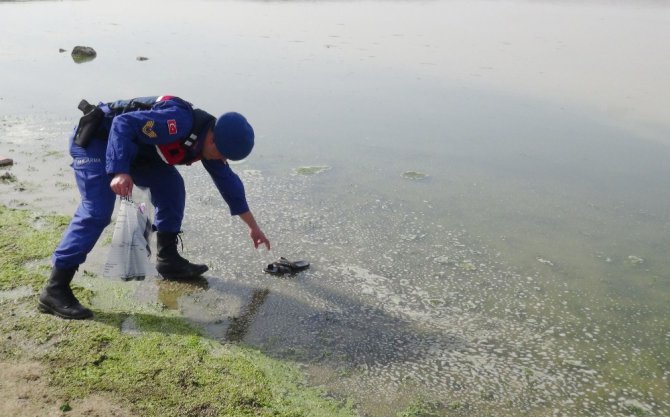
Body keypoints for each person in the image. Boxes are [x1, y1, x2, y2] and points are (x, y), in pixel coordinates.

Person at [38, 95, 271, 320]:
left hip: (135, 150)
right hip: (98, 141)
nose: (222, 161)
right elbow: (122, 123)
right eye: (223, 155)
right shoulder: (178, 122)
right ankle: (55, 289)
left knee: (171, 187)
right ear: (213, 139)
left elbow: (229, 185)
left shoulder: (212, 142)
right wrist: (120, 170)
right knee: (97, 211)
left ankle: (168, 260)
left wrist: (253, 227)